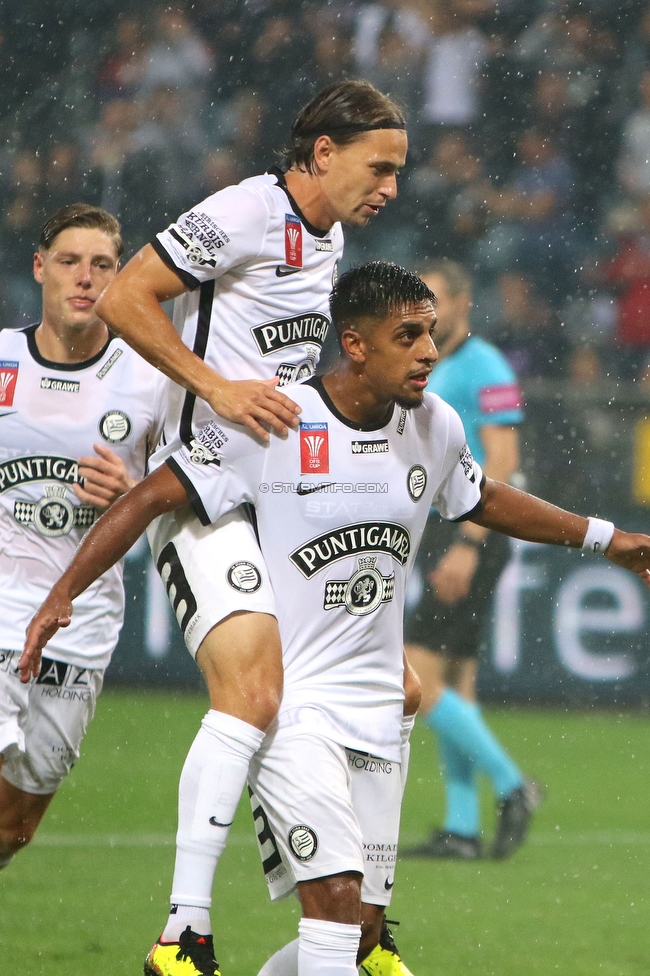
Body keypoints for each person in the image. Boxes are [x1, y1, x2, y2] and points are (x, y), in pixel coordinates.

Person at [22, 261, 650, 976]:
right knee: (336, 899)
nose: (428, 352)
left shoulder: (435, 426)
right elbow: (148, 500)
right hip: (297, 711)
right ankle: (181, 932)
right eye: (407, 336)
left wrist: (608, 539)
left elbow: (486, 500)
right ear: (355, 344)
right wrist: (61, 593)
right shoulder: (275, 420)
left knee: (359, 935)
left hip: (381, 714)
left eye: (430, 334)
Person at [92, 79, 412, 975]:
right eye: (378, 166)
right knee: (254, 697)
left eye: (398, 170)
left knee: (397, 690)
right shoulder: (242, 210)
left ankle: (356, 929)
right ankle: (182, 931)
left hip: (259, 500)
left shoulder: (332, 238)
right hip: (199, 499)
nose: (390, 186)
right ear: (322, 153)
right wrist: (213, 386)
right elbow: (125, 297)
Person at [0, 203, 166, 868]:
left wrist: (132, 497)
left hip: (83, 625)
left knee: (15, 825)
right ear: (41, 267)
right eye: (69, 261)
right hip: (2, 605)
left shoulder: (150, 380)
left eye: (102, 265)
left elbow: (181, 501)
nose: (84, 278)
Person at [403, 260, 539, 860]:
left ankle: (513, 785)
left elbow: (503, 461)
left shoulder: (484, 363)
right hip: (448, 528)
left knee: (413, 679)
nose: (425, 311)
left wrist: (467, 543)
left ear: (462, 303)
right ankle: (461, 827)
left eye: (434, 299)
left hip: (472, 530)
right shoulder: (432, 365)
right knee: (456, 682)